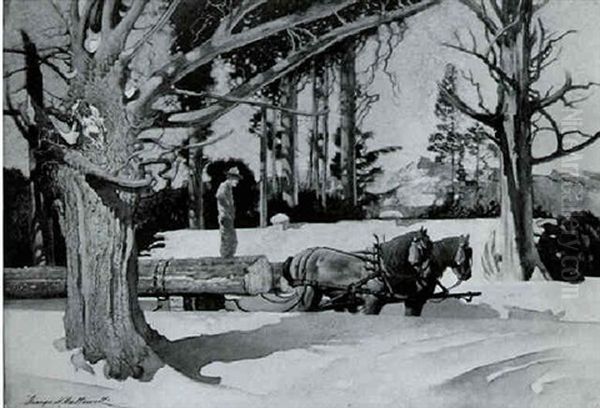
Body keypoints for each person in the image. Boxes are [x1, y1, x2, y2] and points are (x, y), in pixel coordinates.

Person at [216, 167, 242, 258]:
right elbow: (220, 196)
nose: (237, 181)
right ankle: (226, 257)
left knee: (231, 238)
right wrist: (227, 206)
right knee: (228, 237)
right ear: (230, 178)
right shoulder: (224, 186)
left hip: (228, 216)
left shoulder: (229, 188)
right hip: (225, 216)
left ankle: (228, 256)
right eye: (236, 179)